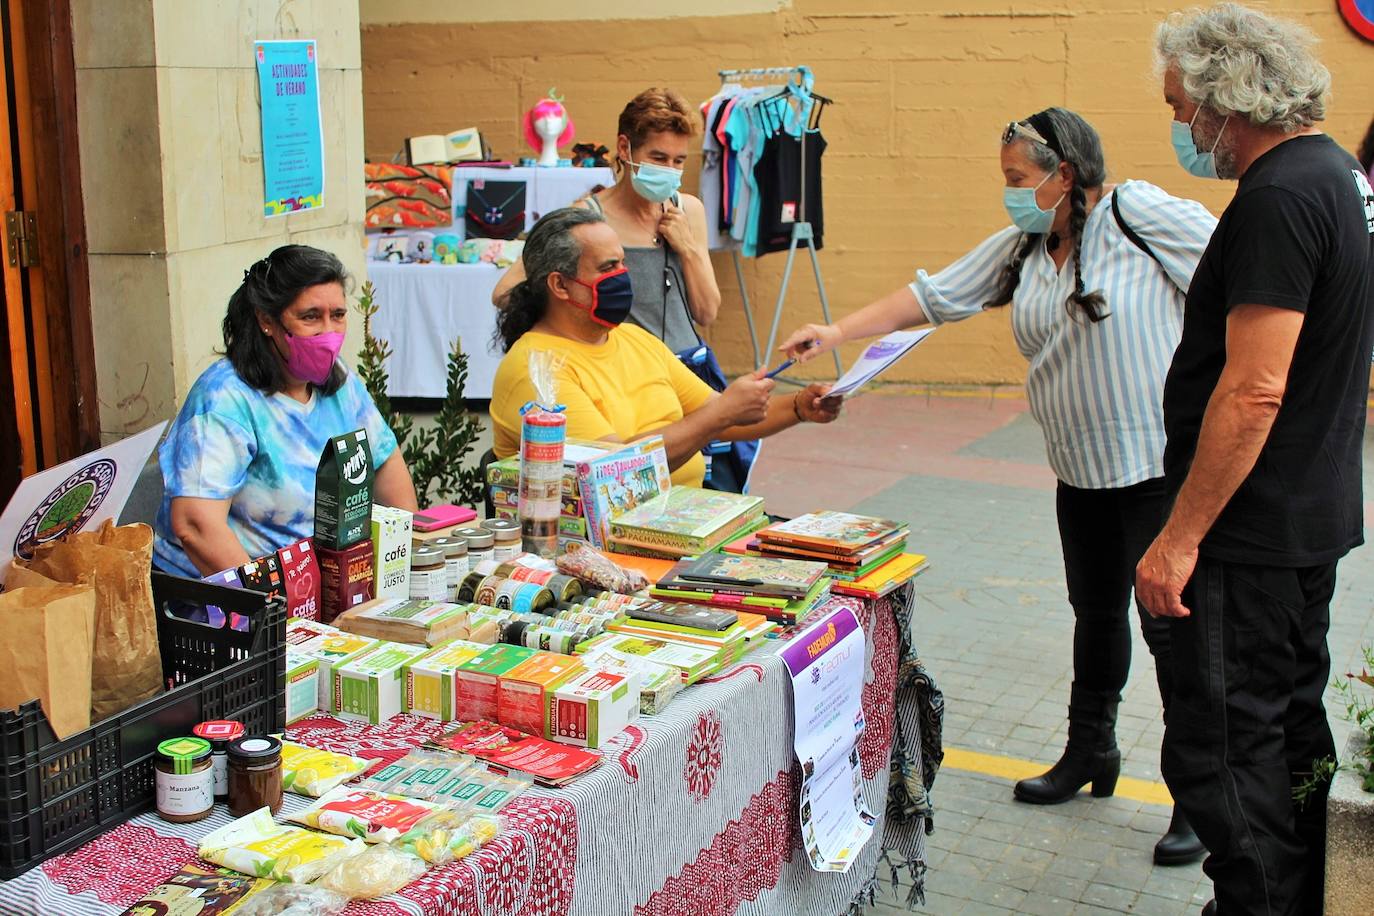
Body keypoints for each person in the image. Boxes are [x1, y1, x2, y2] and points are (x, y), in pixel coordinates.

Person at [779, 107, 1218, 865]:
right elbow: (933, 296)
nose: (1011, 194)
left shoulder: (1135, 213)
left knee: (1173, 639)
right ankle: (1091, 751)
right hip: (1079, 471)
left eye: (1020, 180)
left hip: (1159, 469)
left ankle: (1201, 798)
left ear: (1065, 173)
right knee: (1096, 616)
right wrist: (836, 332)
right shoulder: (1026, 245)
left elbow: (1236, 275)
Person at [1137, 4, 1373, 913]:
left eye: (1179, 106)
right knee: (1288, 736)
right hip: (1303, 518)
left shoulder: (1278, 194)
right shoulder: (1338, 175)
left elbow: (1255, 388)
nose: (1181, 130)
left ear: (1221, 101)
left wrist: (1179, 538)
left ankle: (1259, 901)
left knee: (1228, 753)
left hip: (1247, 537)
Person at [489, 207, 838, 482]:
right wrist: (722, 412)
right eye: (609, 266)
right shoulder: (535, 370)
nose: (623, 276)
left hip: (680, 524)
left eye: (623, 262)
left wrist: (798, 407)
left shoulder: (634, 338)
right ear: (560, 286)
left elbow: (722, 417)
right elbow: (612, 473)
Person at [154, 245, 418, 577]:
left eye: (337, 315)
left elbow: (386, 465)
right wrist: (276, 607)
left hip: (329, 589)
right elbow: (196, 524)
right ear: (267, 320)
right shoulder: (225, 399)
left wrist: (400, 564)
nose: (329, 332)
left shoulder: (341, 384)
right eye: (310, 316)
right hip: (236, 605)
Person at [494, 88, 719, 356]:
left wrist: (688, 249)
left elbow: (706, 312)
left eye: (678, 160)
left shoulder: (688, 210)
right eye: (658, 158)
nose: (669, 169)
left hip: (689, 373)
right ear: (625, 148)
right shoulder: (586, 220)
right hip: (624, 380)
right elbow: (505, 293)